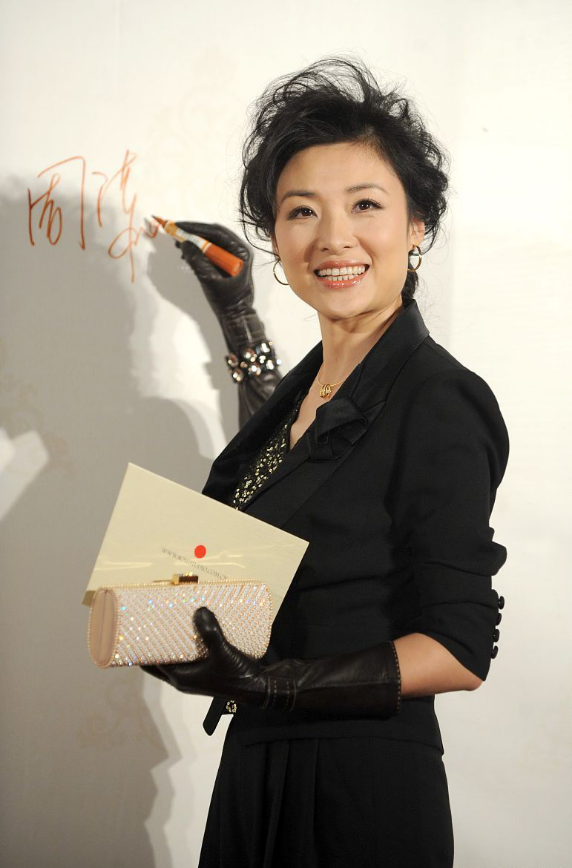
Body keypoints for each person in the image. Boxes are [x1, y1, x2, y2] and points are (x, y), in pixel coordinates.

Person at [144, 57, 509, 868]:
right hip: (257, 769)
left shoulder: (440, 399)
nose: (334, 236)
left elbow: (460, 649)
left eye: (366, 205)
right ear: (276, 238)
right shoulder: (303, 394)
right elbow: (307, 482)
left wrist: (273, 683)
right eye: (302, 211)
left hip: (358, 788)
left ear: (417, 227)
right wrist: (237, 321)